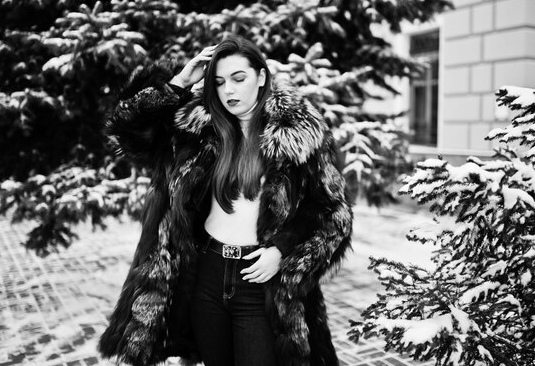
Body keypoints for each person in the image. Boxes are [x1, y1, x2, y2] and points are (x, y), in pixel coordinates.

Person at [98, 35, 353, 366]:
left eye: (239, 78)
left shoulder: (297, 132)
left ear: (260, 77)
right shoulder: (198, 129)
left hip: (259, 281)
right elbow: (125, 130)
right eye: (218, 82)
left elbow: (335, 215)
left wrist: (283, 251)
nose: (229, 91)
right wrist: (177, 84)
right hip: (206, 273)